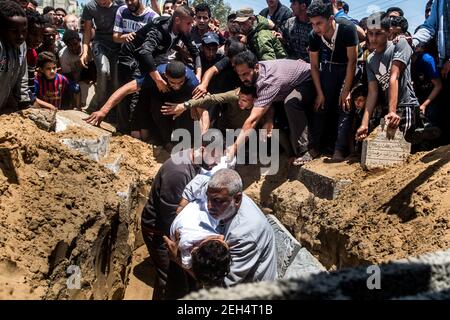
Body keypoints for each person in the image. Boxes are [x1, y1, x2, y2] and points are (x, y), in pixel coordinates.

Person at [355, 12, 435, 144]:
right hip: (390, 107)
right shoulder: (370, 59)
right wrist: (364, 124)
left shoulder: (400, 45)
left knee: (405, 145)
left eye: (378, 33)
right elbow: (373, 92)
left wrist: (393, 112)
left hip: (406, 105)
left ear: (388, 32)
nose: (373, 38)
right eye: (370, 33)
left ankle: (423, 132)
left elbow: (394, 76)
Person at [228, 51, 314, 166]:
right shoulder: (259, 71)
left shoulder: (268, 81)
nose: (243, 79)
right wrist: (269, 120)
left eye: (245, 74)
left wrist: (234, 148)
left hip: (310, 79)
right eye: (240, 75)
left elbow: (253, 120)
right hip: (291, 85)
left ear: (256, 67)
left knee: (291, 102)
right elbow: (268, 101)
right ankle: (291, 152)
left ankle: (306, 150)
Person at [204, 169, 277, 286]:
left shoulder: (244, 233)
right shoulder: (230, 198)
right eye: (207, 197)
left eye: (217, 200)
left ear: (237, 199)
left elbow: (223, 287)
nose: (208, 205)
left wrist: (181, 262)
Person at [307, 0, 358, 161]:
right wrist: (320, 92)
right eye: (313, 24)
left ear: (330, 19)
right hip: (328, 69)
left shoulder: (347, 29)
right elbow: (314, 66)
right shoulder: (314, 36)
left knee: (345, 106)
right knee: (320, 106)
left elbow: (353, 61)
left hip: (348, 69)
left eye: (319, 23)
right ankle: (314, 148)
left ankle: (339, 150)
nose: (316, 28)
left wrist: (347, 89)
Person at [81, 0, 124, 115]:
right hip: (100, 43)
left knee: (115, 82)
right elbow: (87, 31)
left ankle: (112, 111)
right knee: (103, 71)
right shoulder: (90, 6)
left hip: (117, 45)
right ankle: (98, 107)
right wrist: (85, 51)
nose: (102, 3)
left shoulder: (121, 4)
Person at [0, 0, 28, 114]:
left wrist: (23, 102)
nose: (21, 36)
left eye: (24, 31)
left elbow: (22, 78)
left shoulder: (22, 46)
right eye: (14, 31)